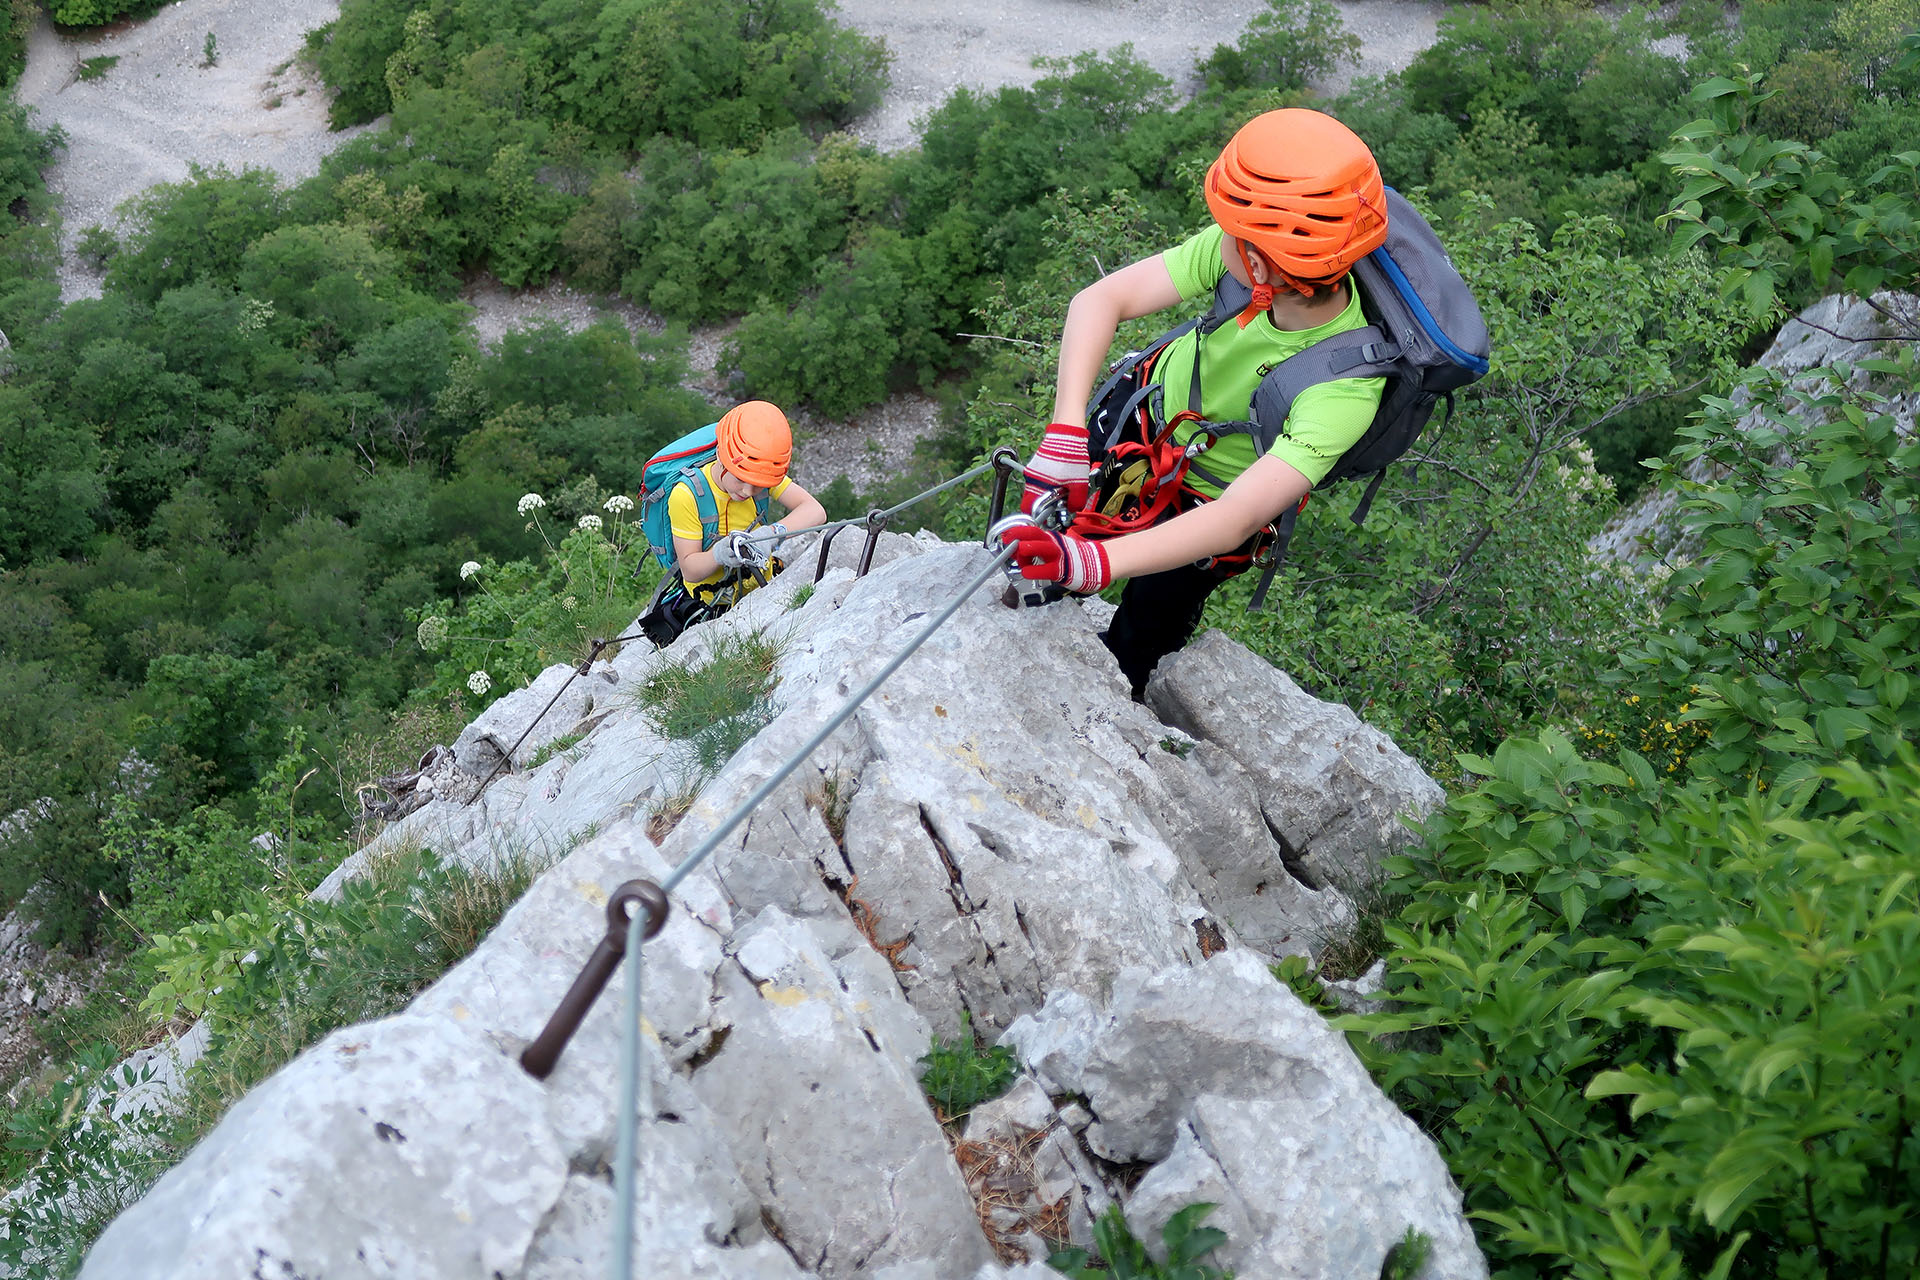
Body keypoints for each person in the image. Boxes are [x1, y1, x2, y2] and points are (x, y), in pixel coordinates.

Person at [1000, 108, 1391, 698]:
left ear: (1259, 263)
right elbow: (1099, 300)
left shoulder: (1347, 387)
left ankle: (1101, 702)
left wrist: (1095, 563)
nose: (1221, 236)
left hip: (1206, 503)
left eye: (1234, 232)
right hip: (1144, 420)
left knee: (1143, 632)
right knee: (1053, 538)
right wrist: (1065, 429)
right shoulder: (1248, 262)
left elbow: (1235, 518)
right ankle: (1032, 608)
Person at [646, 400, 826, 645]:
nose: (749, 490)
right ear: (722, 457)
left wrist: (772, 534)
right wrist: (719, 554)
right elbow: (690, 568)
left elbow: (815, 511)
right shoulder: (687, 495)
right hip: (712, 604)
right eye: (741, 479)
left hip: (763, 584)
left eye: (758, 483)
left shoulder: (758, 471)